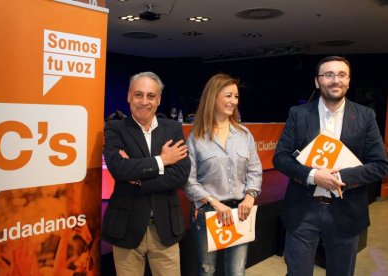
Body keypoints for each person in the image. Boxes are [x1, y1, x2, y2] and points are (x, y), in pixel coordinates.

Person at [273, 56, 388, 276]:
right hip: (303, 210)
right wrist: (314, 176)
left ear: (348, 80)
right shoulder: (298, 114)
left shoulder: (365, 116)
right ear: (317, 81)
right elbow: (281, 158)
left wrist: (338, 177)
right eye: (328, 75)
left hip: (346, 210)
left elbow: (380, 165)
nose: (335, 80)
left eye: (341, 75)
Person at [102, 71, 191, 276]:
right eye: (138, 94)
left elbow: (180, 174)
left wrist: (139, 179)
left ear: (159, 99)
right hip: (126, 228)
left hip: (165, 228)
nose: (144, 101)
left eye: (151, 96)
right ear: (128, 96)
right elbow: (119, 169)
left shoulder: (173, 128)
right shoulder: (115, 128)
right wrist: (163, 161)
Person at [184, 73, 262, 276]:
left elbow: (255, 170)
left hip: (240, 213)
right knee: (206, 270)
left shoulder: (244, 135)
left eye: (236, 97)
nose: (233, 101)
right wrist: (215, 203)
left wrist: (250, 196)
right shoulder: (196, 137)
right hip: (209, 212)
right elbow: (189, 181)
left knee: (236, 271)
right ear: (213, 97)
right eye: (228, 96)